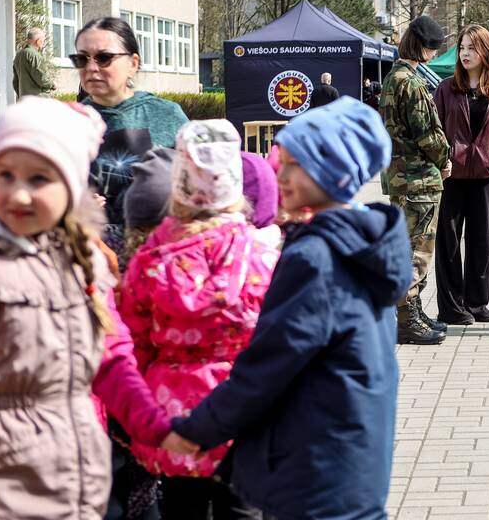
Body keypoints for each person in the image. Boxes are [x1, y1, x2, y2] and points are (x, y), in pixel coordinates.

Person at [168, 98, 413, 520]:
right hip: (352, 452)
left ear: (330, 171)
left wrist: (198, 430)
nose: (278, 171)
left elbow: (267, 364)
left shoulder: (316, 257)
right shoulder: (362, 242)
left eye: (293, 163)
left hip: (316, 460)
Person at [0, 97, 117, 517]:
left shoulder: (85, 259)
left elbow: (110, 357)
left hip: (74, 478)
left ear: (71, 187)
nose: (19, 193)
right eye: (5, 175)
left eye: (39, 179)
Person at [119, 120, 277, 518]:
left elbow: (131, 346)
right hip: (245, 413)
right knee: (244, 509)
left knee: (180, 509)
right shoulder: (262, 260)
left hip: (172, 418)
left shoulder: (149, 264)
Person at [433, 25, 489, 325]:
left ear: (486, 51)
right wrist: (443, 158)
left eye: (472, 47)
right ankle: (451, 307)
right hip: (451, 176)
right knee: (449, 242)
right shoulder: (445, 88)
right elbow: (434, 131)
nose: (465, 53)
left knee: (479, 240)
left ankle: (477, 303)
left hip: (484, 176)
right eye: (462, 47)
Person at [77, 16, 189, 248]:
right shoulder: (67, 120)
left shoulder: (167, 115)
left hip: (159, 250)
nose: (91, 67)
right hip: (89, 253)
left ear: (133, 63)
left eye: (104, 58)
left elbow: (197, 183)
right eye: (81, 59)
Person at [380, 15, 450, 345]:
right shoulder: (412, 83)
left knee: (409, 247)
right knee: (415, 252)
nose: (435, 55)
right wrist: (445, 159)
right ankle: (407, 320)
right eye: (433, 49)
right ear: (422, 47)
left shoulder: (394, 77)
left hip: (401, 177)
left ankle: (413, 312)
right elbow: (428, 135)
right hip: (418, 179)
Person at [12, 26, 55, 98]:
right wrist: (52, 84)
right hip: (39, 99)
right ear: (38, 41)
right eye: (43, 41)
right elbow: (41, 78)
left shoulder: (18, 55)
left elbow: (15, 82)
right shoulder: (34, 55)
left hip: (24, 99)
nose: (43, 44)